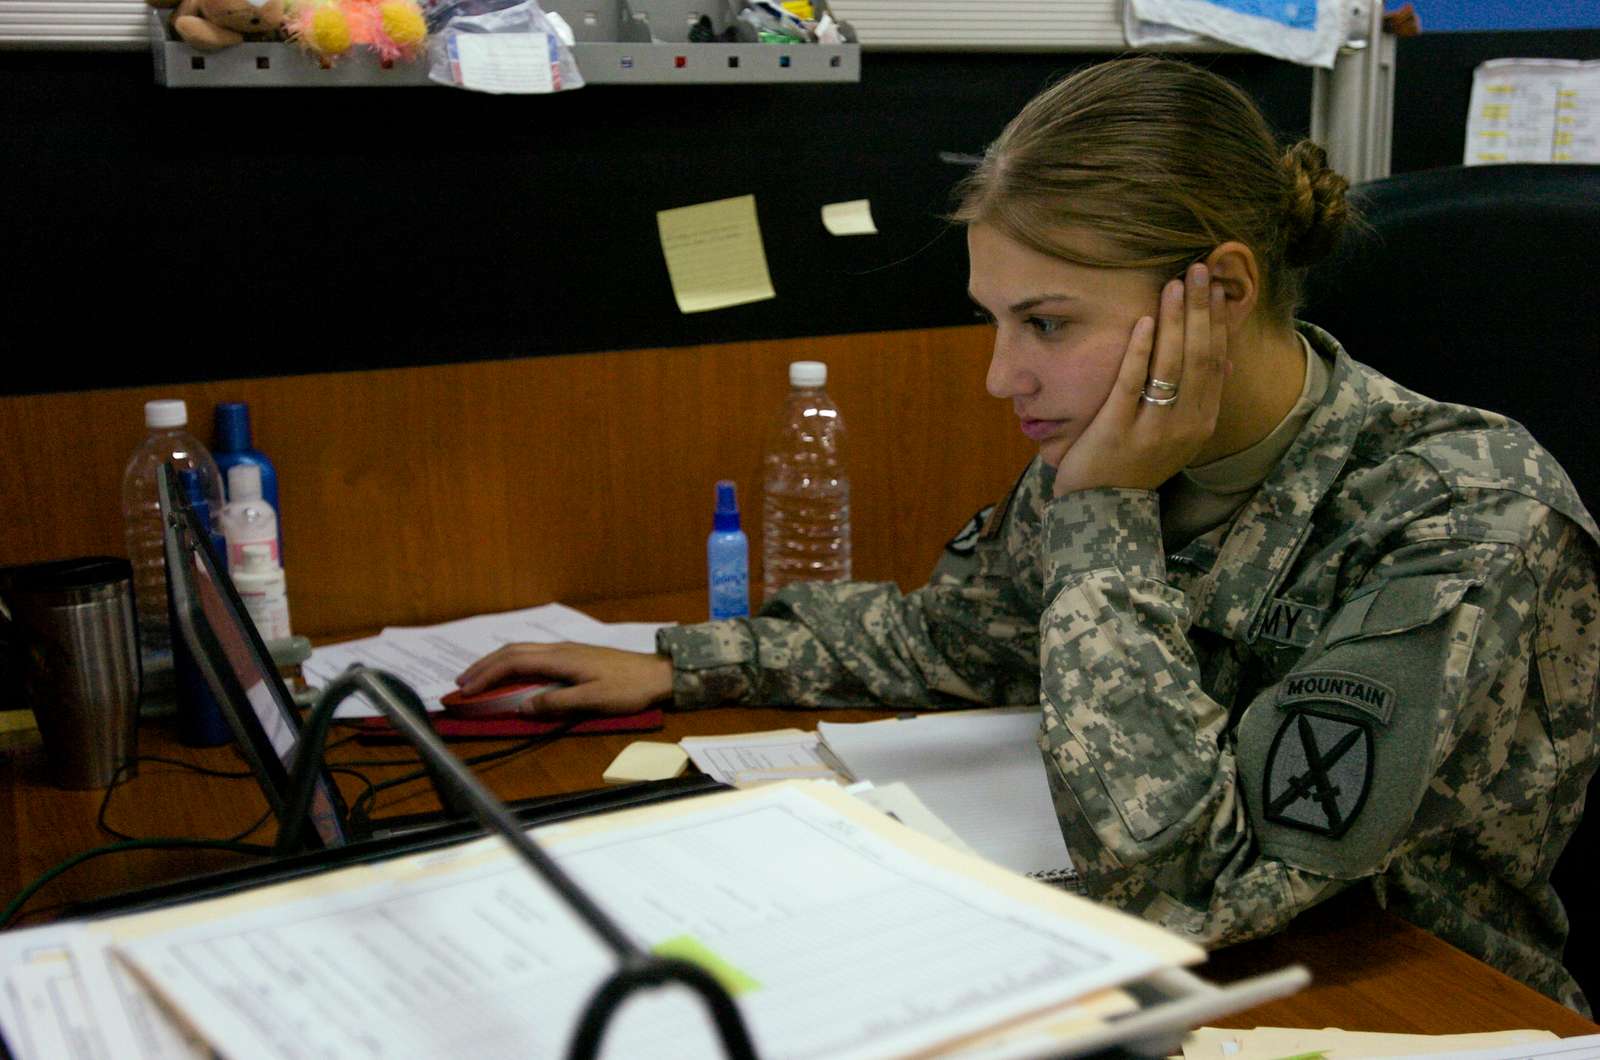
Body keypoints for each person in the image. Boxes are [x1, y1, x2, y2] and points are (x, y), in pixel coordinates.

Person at [458, 58, 1600, 1011]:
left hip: (1408, 1011)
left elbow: (1186, 883)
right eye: (996, 321)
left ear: (1223, 291)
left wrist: (1104, 515)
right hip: (1172, 988)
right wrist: (681, 658)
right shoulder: (1130, 447)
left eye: (1047, 322)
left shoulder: (1463, 517)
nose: (1004, 375)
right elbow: (965, 636)